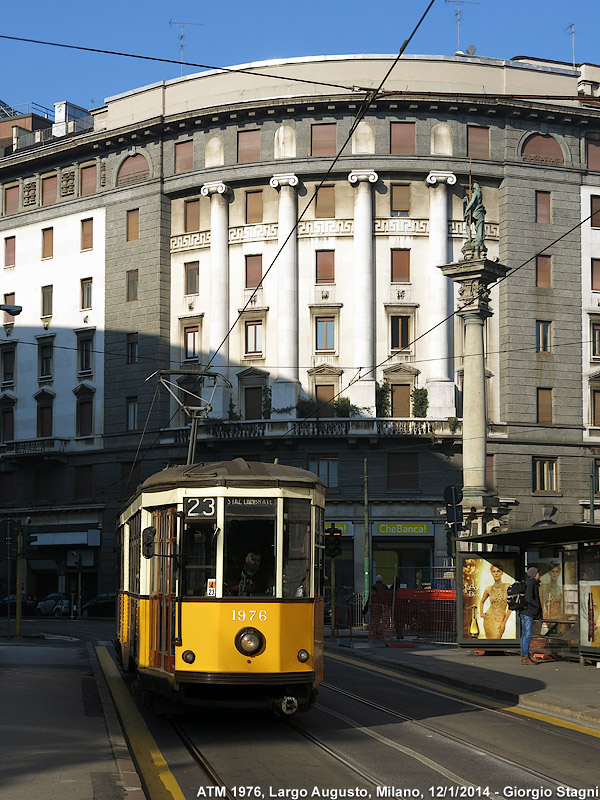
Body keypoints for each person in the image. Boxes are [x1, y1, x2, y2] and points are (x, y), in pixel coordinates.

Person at [479, 563, 511, 639]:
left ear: (502, 572)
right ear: (491, 573)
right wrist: (481, 613)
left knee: (497, 639)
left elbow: (511, 607)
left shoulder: (508, 586)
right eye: (494, 571)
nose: (496, 573)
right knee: (490, 643)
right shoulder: (488, 589)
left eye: (498, 571)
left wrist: (504, 622)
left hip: (500, 620)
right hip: (488, 619)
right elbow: (481, 602)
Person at [520, 566, 542, 665]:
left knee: (524, 634)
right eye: (538, 573)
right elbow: (529, 598)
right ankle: (525, 656)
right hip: (528, 612)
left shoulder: (528, 582)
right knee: (527, 634)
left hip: (524, 612)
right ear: (534, 574)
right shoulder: (531, 583)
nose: (539, 575)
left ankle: (524, 656)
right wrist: (537, 606)